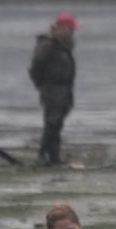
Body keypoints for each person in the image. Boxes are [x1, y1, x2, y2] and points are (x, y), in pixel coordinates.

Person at [27, 13, 78, 167]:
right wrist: (41, 84)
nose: (73, 33)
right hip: (52, 90)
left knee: (57, 124)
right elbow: (36, 67)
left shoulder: (63, 45)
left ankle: (54, 156)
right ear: (61, 28)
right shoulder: (48, 44)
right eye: (70, 29)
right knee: (51, 123)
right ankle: (42, 155)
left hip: (64, 91)